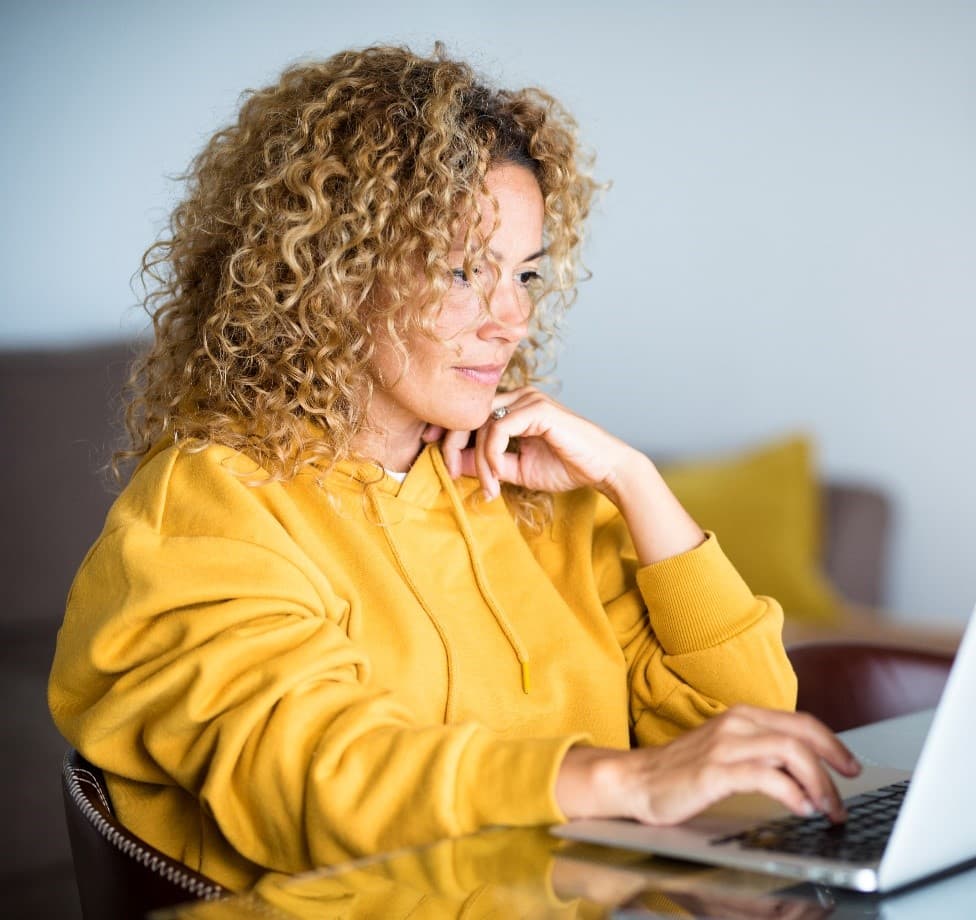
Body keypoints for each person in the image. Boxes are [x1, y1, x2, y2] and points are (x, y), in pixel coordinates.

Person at [49, 44, 859, 891]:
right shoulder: (213, 502)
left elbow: (744, 732)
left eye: (525, 275)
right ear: (332, 274)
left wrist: (635, 482)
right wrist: (618, 780)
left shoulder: (537, 493)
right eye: (462, 270)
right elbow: (309, 777)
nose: (509, 319)